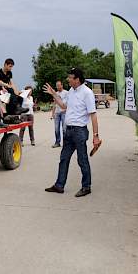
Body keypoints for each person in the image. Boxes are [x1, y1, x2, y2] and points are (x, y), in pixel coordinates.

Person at [43, 68, 100, 197]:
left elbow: (93, 115)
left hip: (79, 131)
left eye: (70, 77)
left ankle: (86, 187)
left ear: (77, 79)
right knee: (64, 159)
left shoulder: (87, 93)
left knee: (82, 160)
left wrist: (96, 136)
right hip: (68, 131)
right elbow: (63, 106)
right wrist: (53, 94)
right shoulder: (71, 91)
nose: (68, 79)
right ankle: (59, 186)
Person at [51, 81, 68, 148]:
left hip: (64, 112)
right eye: (56, 86)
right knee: (56, 129)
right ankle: (57, 142)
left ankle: (65, 143)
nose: (58, 87)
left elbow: (68, 103)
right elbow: (54, 104)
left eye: (59, 85)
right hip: (57, 113)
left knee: (64, 129)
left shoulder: (66, 93)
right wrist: (52, 114)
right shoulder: (56, 93)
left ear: (62, 85)